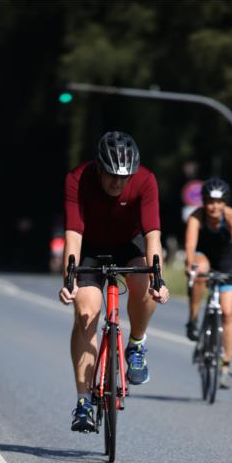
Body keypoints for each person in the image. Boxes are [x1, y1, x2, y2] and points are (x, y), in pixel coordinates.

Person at [59, 130, 169, 432]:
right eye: (111, 175)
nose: (117, 183)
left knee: (144, 284)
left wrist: (158, 279)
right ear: (98, 167)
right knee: (85, 313)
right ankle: (83, 402)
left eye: (124, 177)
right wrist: (70, 279)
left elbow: (152, 235)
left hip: (127, 244)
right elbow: (73, 234)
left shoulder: (145, 180)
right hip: (90, 248)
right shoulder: (77, 179)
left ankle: (136, 344)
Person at [184, 178, 232, 388]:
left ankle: (225, 366)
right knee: (200, 270)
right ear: (203, 201)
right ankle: (193, 318)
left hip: (225, 260)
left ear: (225, 203)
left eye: (219, 202)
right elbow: (190, 246)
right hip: (203, 256)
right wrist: (189, 264)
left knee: (228, 313)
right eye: (210, 201)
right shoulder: (196, 217)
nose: (214, 206)